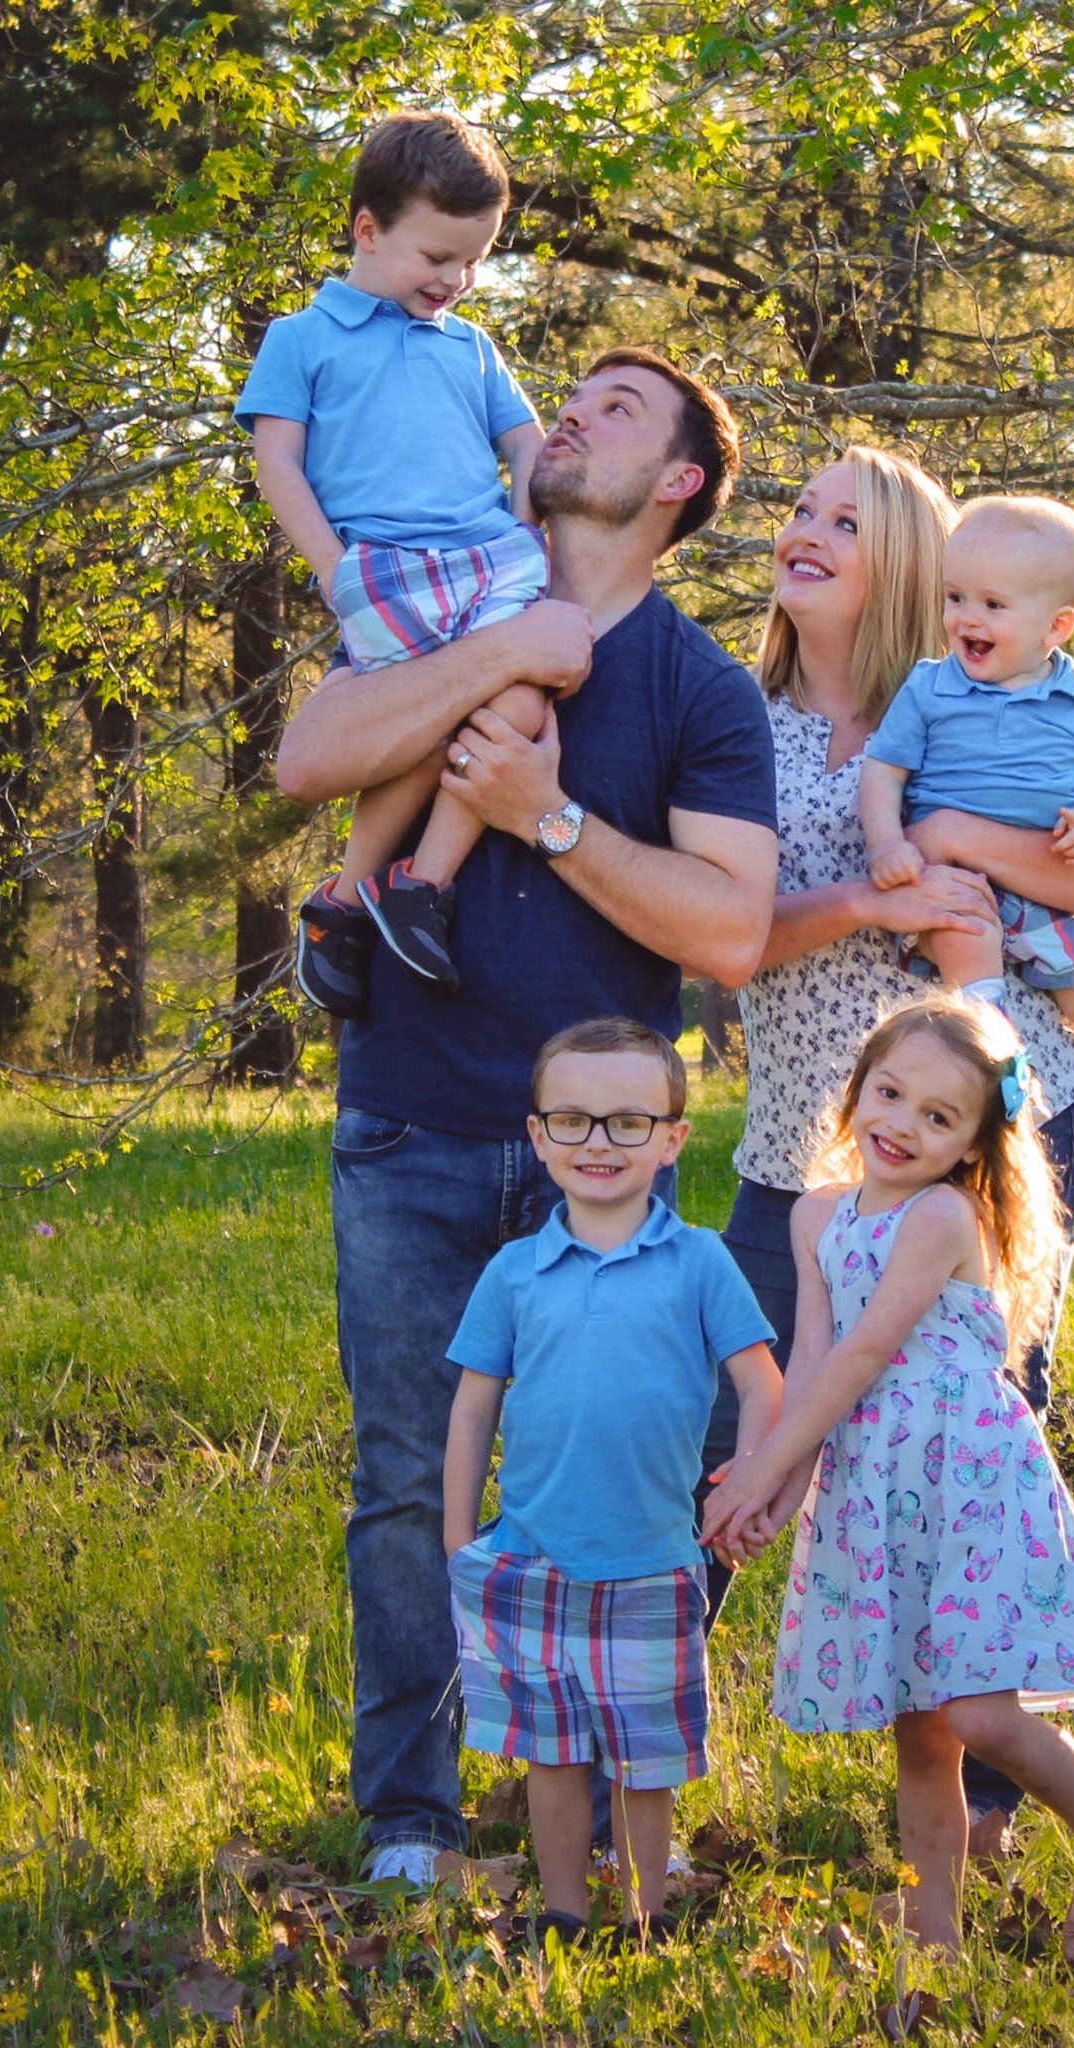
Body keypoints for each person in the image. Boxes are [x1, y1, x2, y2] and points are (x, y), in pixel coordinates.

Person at [274, 347, 777, 1888]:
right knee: (407, 1473)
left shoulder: (699, 689)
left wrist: (541, 819)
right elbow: (311, 759)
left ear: (678, 483)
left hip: (604, 1163)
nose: (570, 412)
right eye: (573, 396)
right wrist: (500, 658)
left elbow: (730, 932)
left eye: (619, 410)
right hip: (410, 1124)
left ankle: (613, 1793)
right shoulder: (442, 602)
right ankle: (414, 1814)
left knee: (629, 1473)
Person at [720, 447, 1074, 1854]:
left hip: (991, 1132)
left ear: (906, 557)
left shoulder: (979, 700)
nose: (804, 533)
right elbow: (717, 933)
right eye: (797, 509)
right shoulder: (738, 720)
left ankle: (987, 1791)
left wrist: (964, 833)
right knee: (738, 1431)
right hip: (801, 1138)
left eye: (844, 519)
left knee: (975, 1442)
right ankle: (621, 1751)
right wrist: (859, 895)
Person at [703, 998, 1074, 1962]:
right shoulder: (818, 1214)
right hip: (871, 1487)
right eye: (889, 1094)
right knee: (918, 1730)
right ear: (856, 1088)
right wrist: (771, 1492)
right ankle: (934, 1938)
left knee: (976, 1709)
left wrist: (766, 1470)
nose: (901, 1125)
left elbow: (867, 1353)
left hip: (968, 1480)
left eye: (938, 1117)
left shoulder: (945, 1215)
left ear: (975, 1143)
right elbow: (813, 1360)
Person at [442, 1019, 782, 1945]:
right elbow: (472, 1409)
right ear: (538, 1134)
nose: (599, 1142)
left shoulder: (702, 1262)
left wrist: (747, 1482)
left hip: (654, 1562)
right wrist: (455, 1539)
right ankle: (561, 1913)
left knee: (645, 1762)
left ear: (673, 1137)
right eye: (575, 1121)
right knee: (549, 1759)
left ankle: (642, 1917)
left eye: (628, 1122)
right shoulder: (515, 1274)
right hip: (531, 1560)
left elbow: (762, 1385)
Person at [236, 109, 554, 998]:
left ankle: (420, 887)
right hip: (384, 570)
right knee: (423, 725)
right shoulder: (302, 339)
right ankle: (342, 900)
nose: (455, 280)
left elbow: (527, 446)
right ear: (367, 231)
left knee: (522, 699)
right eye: (436, 258)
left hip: (491, 560)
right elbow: (278, 463)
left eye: (474, 262)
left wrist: (525, 530)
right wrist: (336, 572)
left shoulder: (472, 347)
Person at [861, 494, 1074, 1172]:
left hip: (1045, 880)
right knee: (975, 982)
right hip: (955, 882)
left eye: (993, 604)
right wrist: (886, 843)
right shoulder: (931, 688)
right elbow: (883, 772)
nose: (966, 618)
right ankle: (1000, 1097)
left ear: (1058, 624)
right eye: (956, 597)